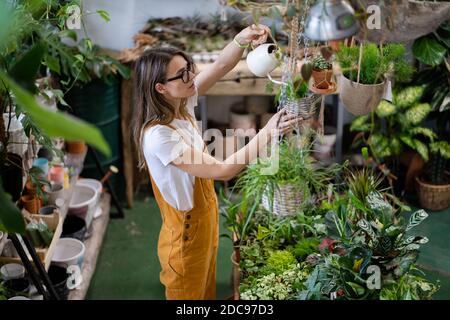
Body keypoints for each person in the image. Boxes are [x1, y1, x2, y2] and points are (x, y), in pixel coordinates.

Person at [132, 24, 302, 300]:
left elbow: (222, 65)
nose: (192, 76)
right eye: (182, 74)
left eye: (190, 67)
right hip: (186, 234)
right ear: (160, 88)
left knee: (205, 291)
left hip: (206, 218)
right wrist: (268, 132)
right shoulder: (158, 136)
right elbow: (224, 171)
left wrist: (242, 39)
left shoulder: (181, 104)